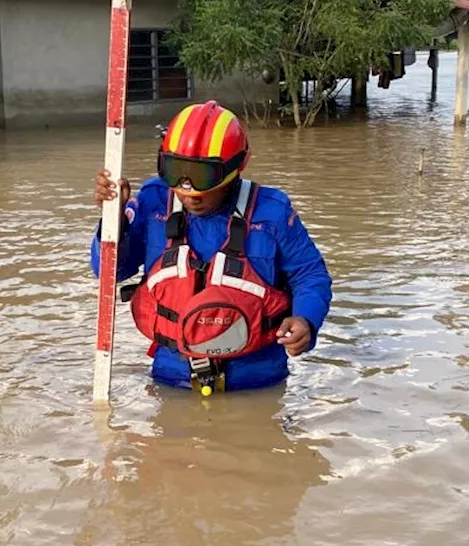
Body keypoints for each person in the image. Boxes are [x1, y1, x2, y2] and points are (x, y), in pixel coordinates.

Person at [91, 100, 332, 394]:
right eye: (176, 171)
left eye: (204, 176)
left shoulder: (273, 212)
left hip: (257, 384)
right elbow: (107, 271)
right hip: (172, 379)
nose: (190, 192)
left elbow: (310, 275)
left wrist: (306, 319)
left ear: (234, 170)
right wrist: (113, 221)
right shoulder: (153, 200)